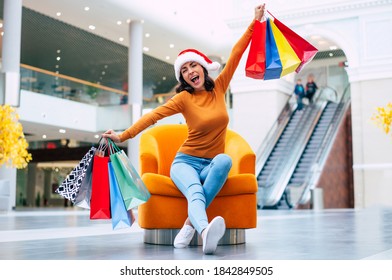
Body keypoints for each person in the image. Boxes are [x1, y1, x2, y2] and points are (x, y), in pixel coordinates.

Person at [102, 3, 266, 255]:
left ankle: (189, 226)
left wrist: (254, 23)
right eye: (184, 70)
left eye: (193, 66)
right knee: (195, 190)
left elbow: (236, 53)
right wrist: (123, 135)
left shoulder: (219, 88)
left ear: (203, 68)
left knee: (224, 161)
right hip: (185, 163)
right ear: (183, 79)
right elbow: (153, 116)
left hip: (211, 164)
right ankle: (204, 232)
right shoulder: (183, 99)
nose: (190, 72)